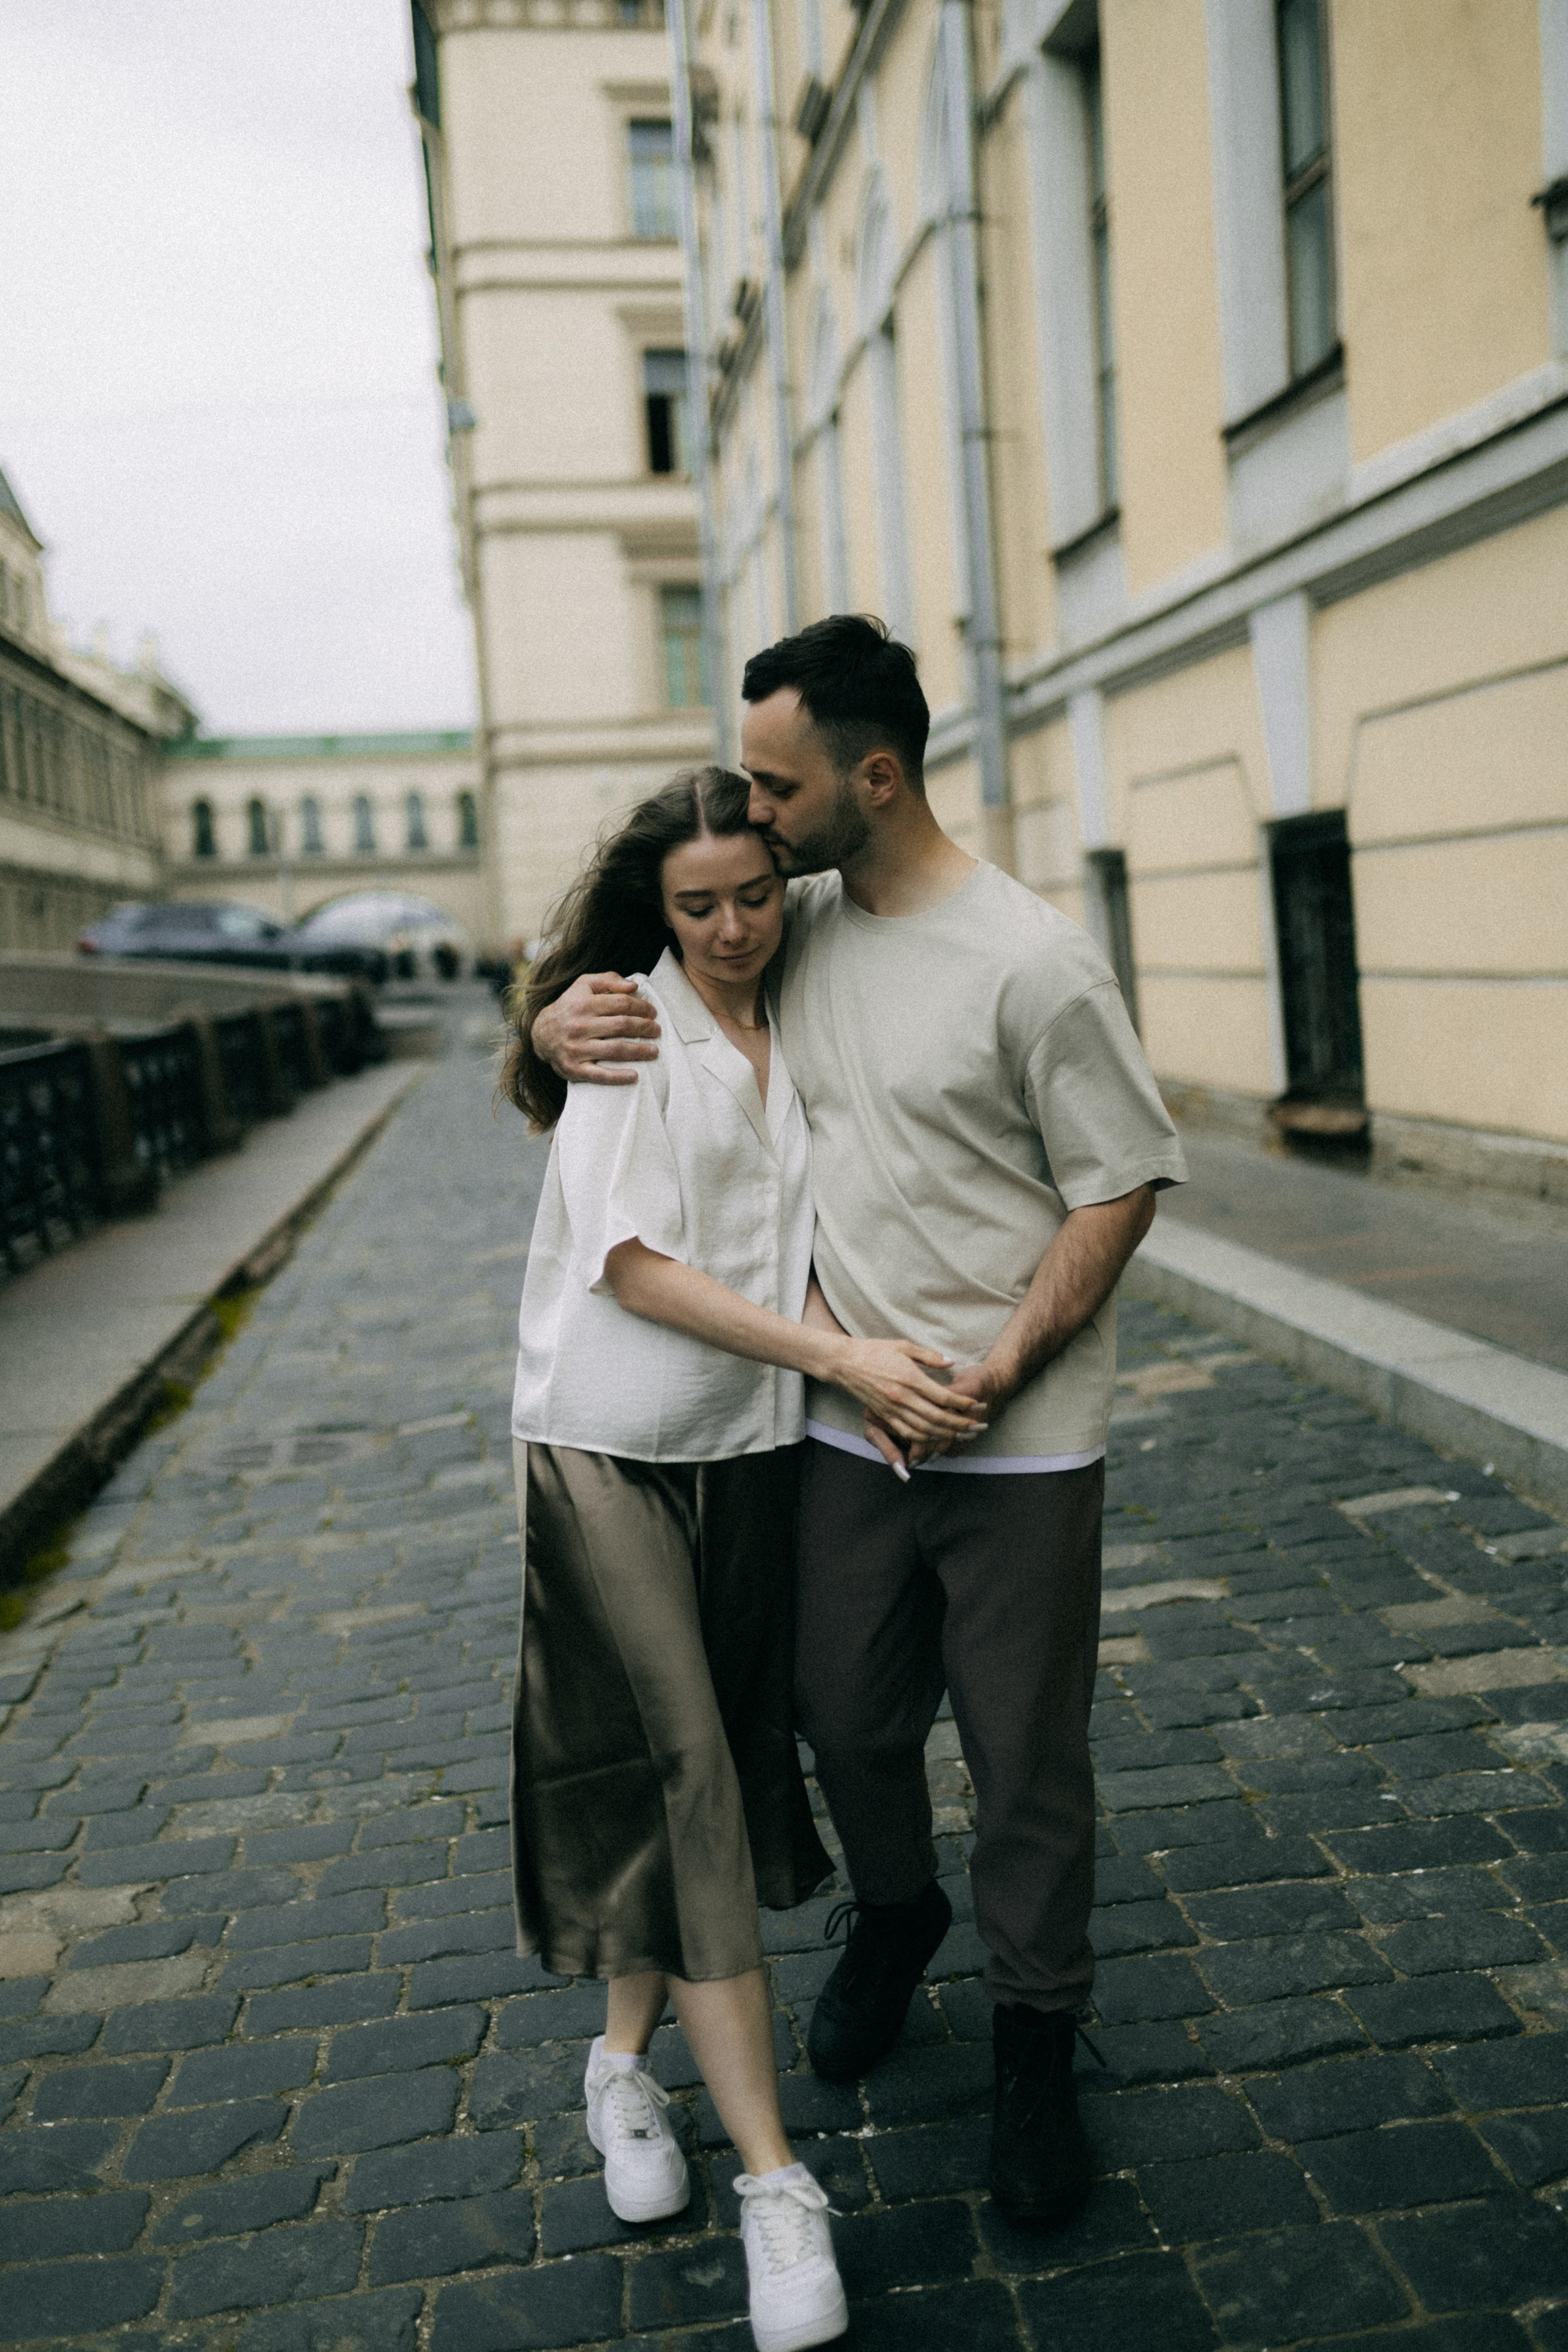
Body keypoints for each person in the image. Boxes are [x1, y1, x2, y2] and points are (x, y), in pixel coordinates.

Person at [532, 617, 1188, 2230]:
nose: (754, 817)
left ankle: (1037, 2039)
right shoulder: (790, 923)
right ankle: (896, 1912)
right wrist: (548, 1028)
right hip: (836, 1425)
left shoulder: (1033, 961)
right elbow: (640, 952)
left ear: (871, 777)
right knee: (839, 1715)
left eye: (777, 783)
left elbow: (1118, 1186)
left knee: (1027, 1761)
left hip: (1015, 1436)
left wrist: (994, 1374)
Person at [503, 763, 984, 2351]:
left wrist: (874, 1363)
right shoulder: (628, 1029)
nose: (728, 928)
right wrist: (840, 1363)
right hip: (609, 1448)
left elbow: (795, 1246)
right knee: (698, 1776)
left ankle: (618, 2067)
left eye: (753, 895)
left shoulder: (803, 1015)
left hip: (748, 1455)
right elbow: (633, 1267)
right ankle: (781, 2183)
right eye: (695, 904)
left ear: (790, 881)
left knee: (683, 1765)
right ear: (658, 906)